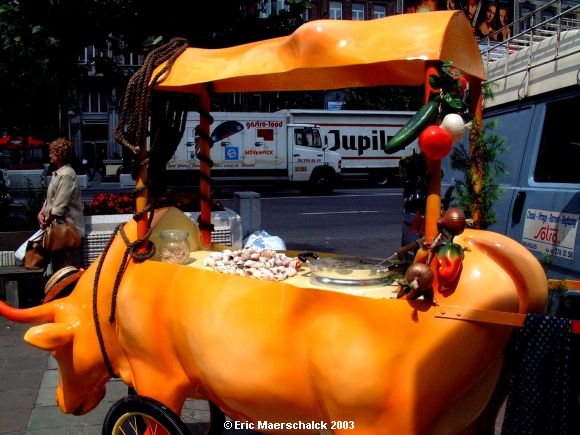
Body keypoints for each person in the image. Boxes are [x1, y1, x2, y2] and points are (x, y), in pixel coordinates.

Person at [37, 138, 85, 271]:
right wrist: (41, 212)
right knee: (60, 272)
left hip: (68, 234)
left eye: (52, 152)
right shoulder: (58, 173)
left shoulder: (67, 174)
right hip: (60, 232)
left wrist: (45, 221)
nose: (49, 155)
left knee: (68, 272)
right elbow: (51, 198)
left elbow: (58, 207)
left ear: (60, 154)